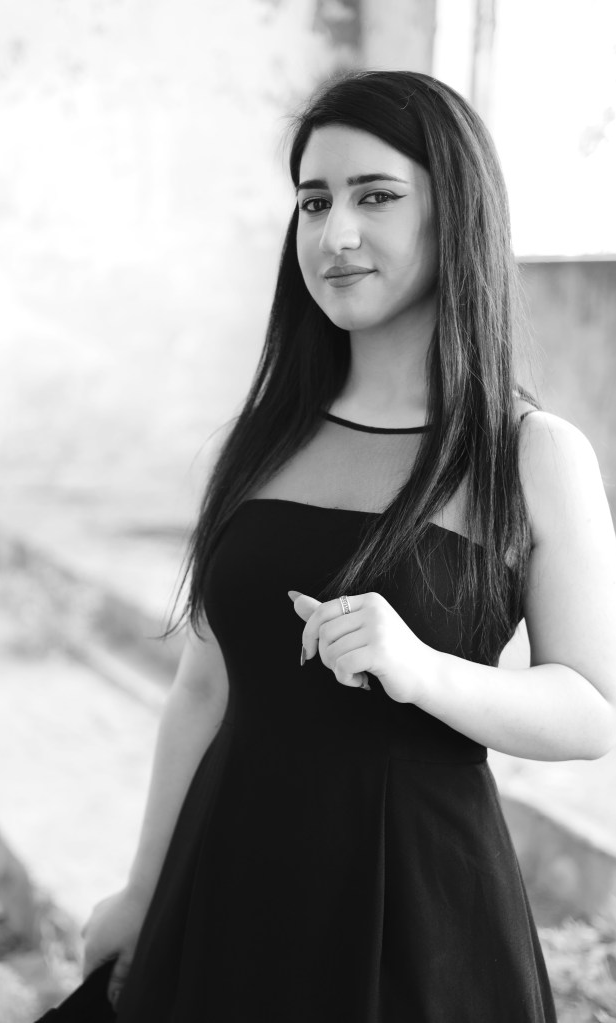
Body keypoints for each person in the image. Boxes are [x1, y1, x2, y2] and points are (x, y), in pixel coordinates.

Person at [78, 70, 616, 1021]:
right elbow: (203, 688)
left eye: (376, 197)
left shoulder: (530, 454)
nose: (335, 235)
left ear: (456, 214)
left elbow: (590, 710)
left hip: (416, 909)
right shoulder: (260, 439)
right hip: (228, 884)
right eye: (313, 201)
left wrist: (422, 669)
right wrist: (141, 890)